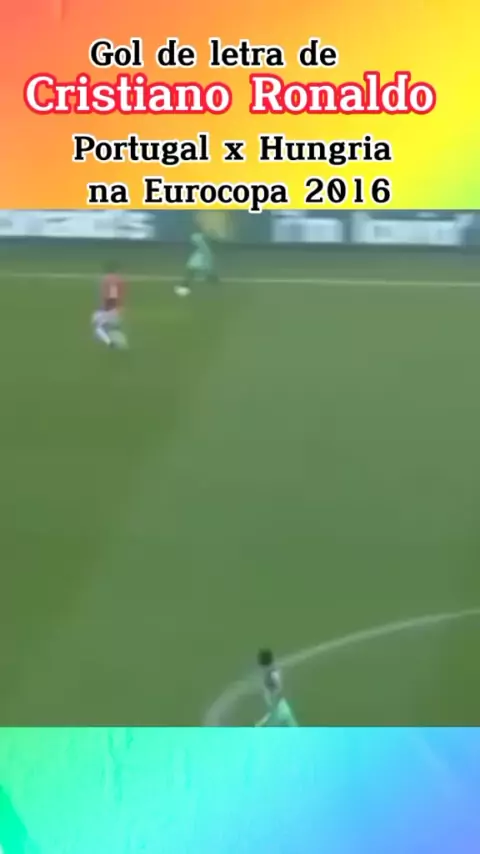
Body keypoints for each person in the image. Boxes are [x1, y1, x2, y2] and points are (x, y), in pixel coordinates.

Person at [255, 648, 298, 727]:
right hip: (282, 709)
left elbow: (277, 689)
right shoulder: (272, 671)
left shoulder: (272, 674)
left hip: (279, 711)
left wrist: (264, 720)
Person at [92, 263, 128, 349]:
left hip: (110, 308)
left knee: (98, 326)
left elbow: (112, 296)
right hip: (113, 308)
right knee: (101, 324)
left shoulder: (109, 280)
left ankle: (109, 342)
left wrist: (108, 307)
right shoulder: (117, 279)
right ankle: (110, 338)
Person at [175, 232, 219, 296]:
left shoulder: (205, 247)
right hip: (199, 264)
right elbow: (196, 238)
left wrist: (205, 236)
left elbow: (196, 238)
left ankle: (184, 287)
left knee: (190, 272)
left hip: (198, 264)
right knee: (191, 272)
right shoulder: (206, 249)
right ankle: (211, 278)